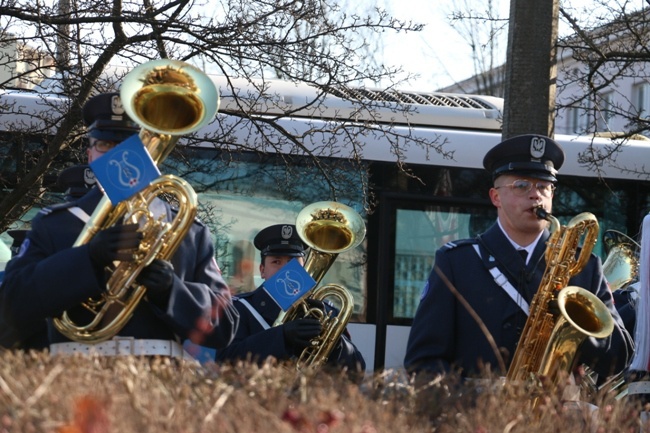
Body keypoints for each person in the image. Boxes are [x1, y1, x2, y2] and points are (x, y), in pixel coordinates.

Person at [0, 92, 239, 357]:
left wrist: (173, 290)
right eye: (104, 144)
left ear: (151, 153)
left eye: (128, 144)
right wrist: (86, 259)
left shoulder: (188, 231)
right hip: (71, 381)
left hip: (156, 386)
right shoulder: (56, 224)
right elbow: (9, 309)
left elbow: (225, 326)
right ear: (90, 154)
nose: (116, 155)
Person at [404, 134, 633, 385]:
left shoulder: (583, 266)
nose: (536, 196)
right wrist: (473, 403)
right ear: (496, 197)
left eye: (544, 187)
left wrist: (575, 328)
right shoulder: (457, 263)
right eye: (522, 186)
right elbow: (422, 361)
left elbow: (618, 358)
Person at [216, 223, 366, 376]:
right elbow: (225, 362)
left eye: (293, 261)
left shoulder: (325, 311)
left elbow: (355, 372)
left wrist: (334, 343)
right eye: (276, 262)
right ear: (262, 271)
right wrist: (282, 336)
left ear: (304, 267)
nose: (285, 270)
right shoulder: (239, 309)